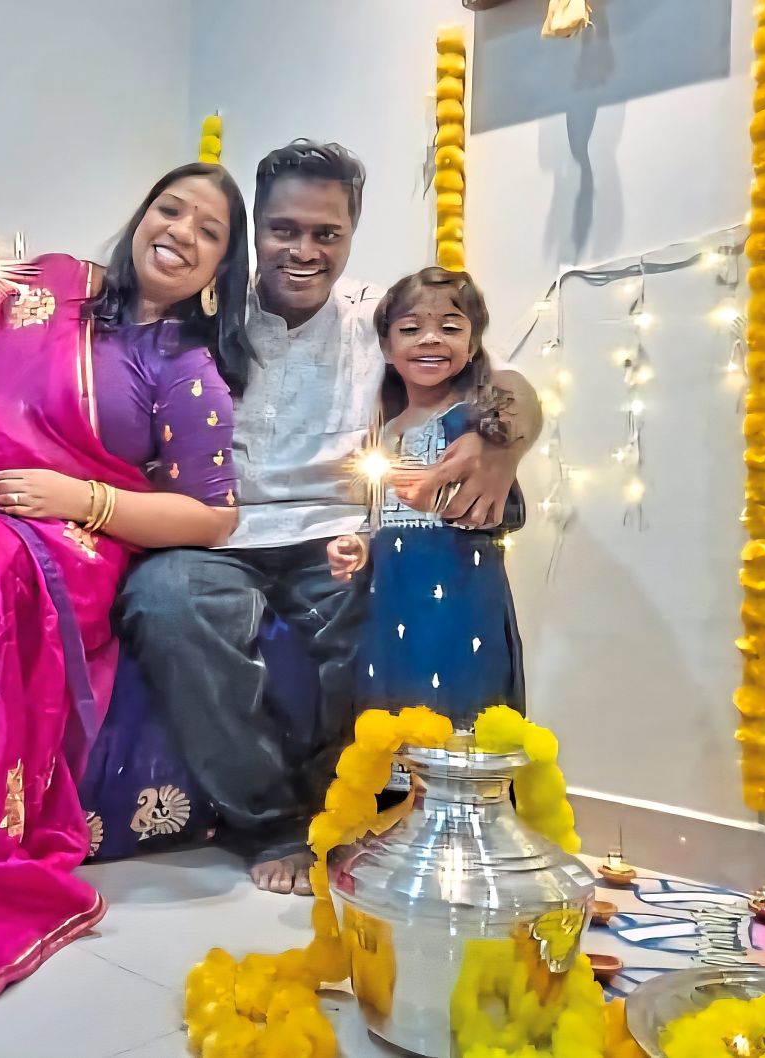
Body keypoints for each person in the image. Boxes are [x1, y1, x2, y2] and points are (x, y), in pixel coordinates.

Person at [117, 140, 542, 896]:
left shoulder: (380, 319)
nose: (303, 250)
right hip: (220, 532)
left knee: (380, 601)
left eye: (326, 234)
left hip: (339, 536)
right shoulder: (207, 313)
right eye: (284, 230)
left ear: (351, 232)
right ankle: (273, 820)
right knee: (164, 600)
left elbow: (502, 380)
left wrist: (504, 440)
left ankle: (345, 810)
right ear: (256, 229)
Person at [0, 162, 250, 998]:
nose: (181, 234)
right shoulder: (44, 284)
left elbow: (210, 515)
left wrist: (80, 497)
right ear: (140, 214)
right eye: (171, 209)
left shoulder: (187, 370)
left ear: (222, 273)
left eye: (208, 232)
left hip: (70, 534)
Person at [327, 267, 525, 729]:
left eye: (450, 328)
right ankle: (394, 793)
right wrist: (355, 546)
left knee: (461, 696)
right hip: (391, 592)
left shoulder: (477, 426)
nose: (431, 339)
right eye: (411, 329)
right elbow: (373, 516)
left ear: (473, 345)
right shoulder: (383, 431)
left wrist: (440, 499)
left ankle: (459, 796)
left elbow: (506, 510)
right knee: (391, 695)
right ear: (387, 347)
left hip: (461, 590)